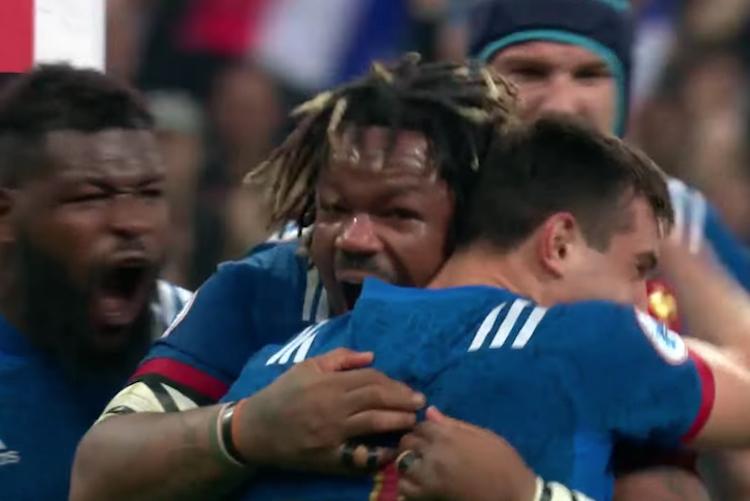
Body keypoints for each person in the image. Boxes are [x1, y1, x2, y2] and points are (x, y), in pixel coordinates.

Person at [71, 55, 540, 501]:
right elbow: (98, 473)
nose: (353, 238)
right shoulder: (266, 290)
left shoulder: (537, 311)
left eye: (397, 214)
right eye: (335, 209)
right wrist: (247, 430)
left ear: (474, 226)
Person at [218, 115, 750, 501]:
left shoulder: (278, 369)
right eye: (638, 269)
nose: (644, 300)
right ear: (560, 244)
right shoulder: (595, 342)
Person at [0, 65, 189, 500]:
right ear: (5, 215)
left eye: (149, 193)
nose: (131, 222)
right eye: (90, 197)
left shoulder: (209, 340)